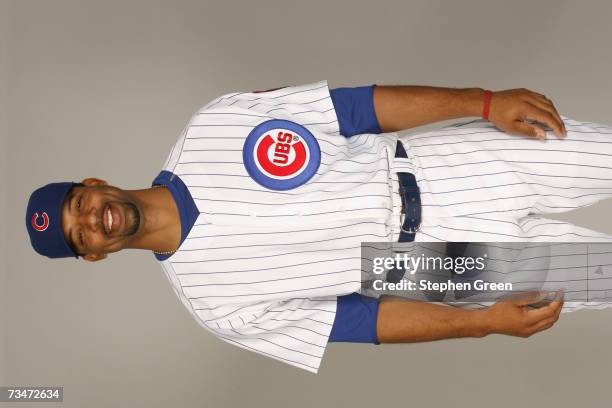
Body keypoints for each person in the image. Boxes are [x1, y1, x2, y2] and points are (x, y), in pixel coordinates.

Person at [26, 81, 612, 373]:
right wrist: (480, 324)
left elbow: (357, 109)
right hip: (422, 266)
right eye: (81, 236)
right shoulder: (214, 304)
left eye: (79, 203)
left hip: (435, 163)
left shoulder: (216, 125)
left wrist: (481, 102)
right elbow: (363, 320)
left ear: (94, 183)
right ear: (94, 255)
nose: (91, 220)